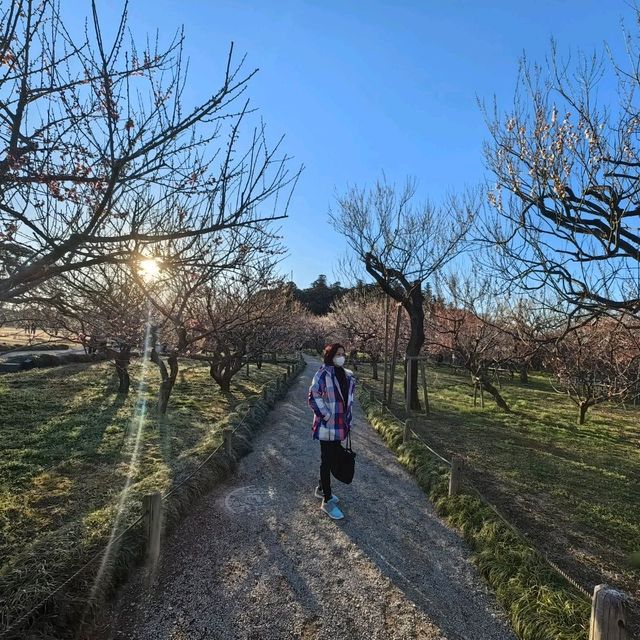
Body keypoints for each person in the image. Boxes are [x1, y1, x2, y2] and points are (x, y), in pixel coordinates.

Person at [308, 343, 356, 520]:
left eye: (343, 354)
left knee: (334, 457)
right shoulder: (322, 373)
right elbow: (313, 396)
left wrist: (347, 421)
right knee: (326, 461)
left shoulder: (346, 375)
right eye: (337, 354)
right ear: (330, 356)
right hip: (327, 426)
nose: (341, 357)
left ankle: (321, 489)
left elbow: (347, 402)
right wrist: (326, 416)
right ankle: (327, 500)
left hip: (340, 425)